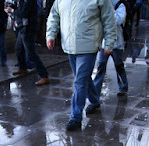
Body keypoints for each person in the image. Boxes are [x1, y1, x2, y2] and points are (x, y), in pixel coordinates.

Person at [46, 0, 117, 131]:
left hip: (88, 46)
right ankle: (95, 101)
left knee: (80, 81)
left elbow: (109, 18)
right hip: (69, 46)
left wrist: (109, 42)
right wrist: (51, 34)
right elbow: (54, 15)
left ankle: (75, 117)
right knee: (83, 78)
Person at [91, 0, 128, 105]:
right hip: (103, 43)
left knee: (118, 65)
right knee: (100, 67)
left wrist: (107, 14)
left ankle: (123, 87)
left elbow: (119, 20)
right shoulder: (101, 4)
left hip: (117, 43)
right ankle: (96, 91)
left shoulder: (119, 5)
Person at [11, 0, 50, 86]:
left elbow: (24, 13)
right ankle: (22, 67)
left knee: (31, 53)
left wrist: (13, 11)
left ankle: (44, 75)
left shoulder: (29, 1)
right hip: (22, 28)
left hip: (28, 29)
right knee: (18, 49)